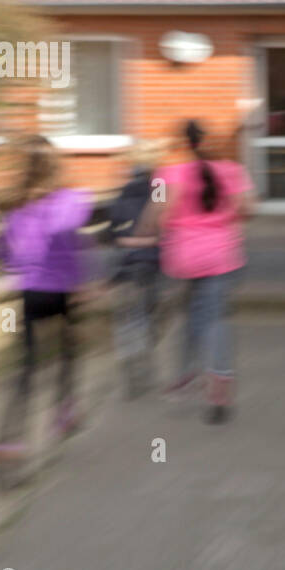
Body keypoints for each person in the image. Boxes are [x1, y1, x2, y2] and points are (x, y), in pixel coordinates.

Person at [0, 135, 93, 487]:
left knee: (26, 371)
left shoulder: (13, 204)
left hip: (29, 293)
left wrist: (7, 267)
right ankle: (64, 412)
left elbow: (0, 253)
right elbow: (69, 243)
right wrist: (80, 285)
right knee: (68, 350)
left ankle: (7, 441)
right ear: (54, 165)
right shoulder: (71, 200)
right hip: (60, 292)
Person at [135, 119, 255, 424]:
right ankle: (219, 380)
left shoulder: (169, 173)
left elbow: (155, 212)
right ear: (209, 141)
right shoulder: (232, 170)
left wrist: (144, 234)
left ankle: (187, 374)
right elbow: (248, 209)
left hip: (184, 257)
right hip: (221, 256)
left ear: (182, 144)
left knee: (193, 313)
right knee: (213, 317)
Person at [106, 139, 166, 399]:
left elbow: (112, 231)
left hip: (127, 263)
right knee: (150, 313)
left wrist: (126, 241)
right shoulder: (160, 189)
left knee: (130, 313)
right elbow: (167, 223)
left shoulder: (123, 192)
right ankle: (142, 352)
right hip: (152, 261)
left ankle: (129, 351)